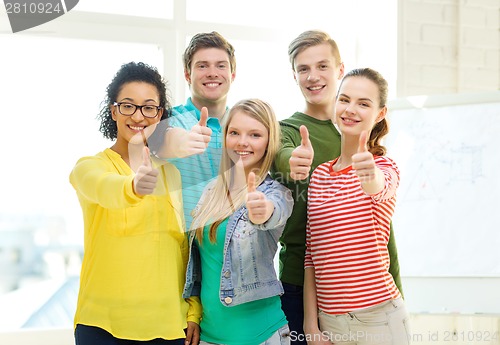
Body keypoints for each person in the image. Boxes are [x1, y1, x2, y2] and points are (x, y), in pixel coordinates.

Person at [270, 30, 404, 344]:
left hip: (370, 294)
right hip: (300, 285)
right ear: (294, 75)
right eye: (303, 69)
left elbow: (380, 210)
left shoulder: (363, 139)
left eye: (322, 66)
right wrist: (294, 160)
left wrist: (396, 284)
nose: (313, 76)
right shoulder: (287, 131)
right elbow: (281, 154)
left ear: (340, 70)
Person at [69, 62, 201, 345]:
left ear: (160, 115)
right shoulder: (89, 167)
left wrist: (192, 311)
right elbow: (104, 188)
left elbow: (181, 249)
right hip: (103, 327)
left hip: (169, 326)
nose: (138, 116)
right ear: (113, 110)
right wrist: (132, 186)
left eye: (149, 107)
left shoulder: (171, 173)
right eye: (128, 105)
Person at [304, 67, 410, 345]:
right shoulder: (319, 175)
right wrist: (310, 324)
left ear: (380, 114)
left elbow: (380, 187)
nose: (351, 109)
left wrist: (368, 173)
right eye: (345, 99)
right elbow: (311, 255)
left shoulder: (385, 167)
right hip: (330, 322)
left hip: (379, 320)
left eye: (364, 104)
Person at [183, 99, 293, 345]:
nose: (243, 142)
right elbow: (202, 267)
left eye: (255, 134)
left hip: (261, 336)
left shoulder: (276, 193)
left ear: (268, 141)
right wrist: (193, 315)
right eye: (235, 133)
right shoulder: (212, 190)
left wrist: (262, 211)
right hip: (208, 336)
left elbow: (273, 212)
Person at [149, 31, 236, 229]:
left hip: (231, 252)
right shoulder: (166, 119)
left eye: (221, 65)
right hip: (182, 251)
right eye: (202, 65)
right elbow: (159, 139)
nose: (212, 73)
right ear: (188, 74)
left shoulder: (245, 126)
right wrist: (183, 141)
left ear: (232, 74)